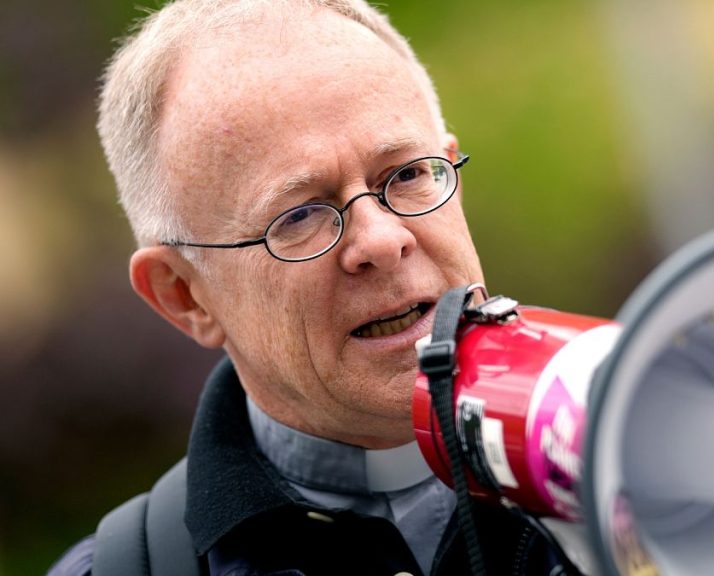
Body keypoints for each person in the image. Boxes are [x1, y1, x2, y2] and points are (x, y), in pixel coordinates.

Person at [48, 1, 582, 574]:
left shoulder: (651, 454)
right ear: (184, 295)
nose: (382, 241)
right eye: (299, 216)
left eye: (406, 175)